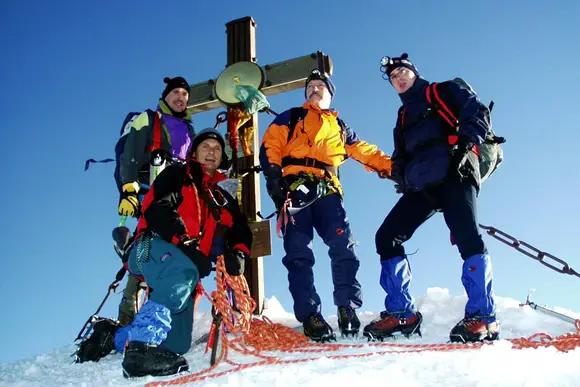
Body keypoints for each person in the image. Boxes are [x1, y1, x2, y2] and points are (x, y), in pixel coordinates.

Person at [78, 129, 253, 377]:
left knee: (176, 344)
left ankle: (112, 336)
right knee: (181, 271)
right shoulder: (177, 174)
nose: (211, 152)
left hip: (185, 266)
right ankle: (141, 350)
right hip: (152, 247)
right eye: (206, 147)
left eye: (216, 148)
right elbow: (156, 207)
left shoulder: (221, 194)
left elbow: (239, 227)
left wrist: (239, 252)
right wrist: (183, 240)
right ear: (194, 153)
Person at [362, 53, 500, 344]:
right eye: (393, 77)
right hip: (423, 185)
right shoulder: (402, 118)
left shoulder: (443, 90)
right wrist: (401, 177)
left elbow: (475, 111)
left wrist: (467, 142)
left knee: (467, 236)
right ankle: (402, 313)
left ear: (414, 72)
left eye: (402, 72)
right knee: (386, 237)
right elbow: (400, 156)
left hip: (456, 170)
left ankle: (484, 317)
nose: (398, 78)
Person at [259, 69, 393, 342]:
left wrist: (394, 167)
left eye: (321, 86)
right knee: (298, 252)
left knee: (343, 247)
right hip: (294, 189)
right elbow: (271, 143)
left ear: (330, 95)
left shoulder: (340, 127)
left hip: (328, 190)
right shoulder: (291, 117)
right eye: (310, 86)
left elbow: (365, 151)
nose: (315, 89)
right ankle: (310, 315)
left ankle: (348, 308)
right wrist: (274, 176)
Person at [115, 76, 196, 326]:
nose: (180, 98)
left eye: (185, 95)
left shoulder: (190, 129)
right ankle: (129, 303)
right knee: (148, 243)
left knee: (175, 244)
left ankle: (164, 305)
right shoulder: (149, 118)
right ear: (165, 96)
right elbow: (130, 152)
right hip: (150, 188)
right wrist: (129, 190)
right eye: (176, 93)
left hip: (178, 194)